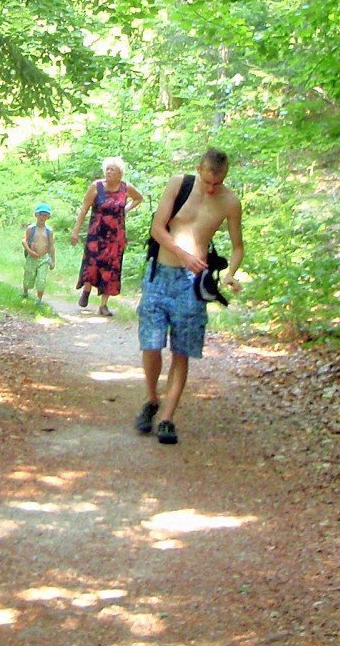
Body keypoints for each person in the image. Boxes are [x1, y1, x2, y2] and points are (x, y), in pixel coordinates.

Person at [136, 148, 243, 446]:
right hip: (160, 274)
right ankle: (151, 399)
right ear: (199, 169)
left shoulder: (231, 202)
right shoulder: (179, 184)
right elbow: (157, 228)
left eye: (217, 184)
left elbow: (237, 246)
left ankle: (168, 417)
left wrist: (231, 273)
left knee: (182, 350)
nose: (211, 189)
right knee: (152, 343)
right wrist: (182, 255)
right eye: (207, 181)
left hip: (192, 284)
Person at [70, 157, 144, 317]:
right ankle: (87, 289)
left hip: (116, 236)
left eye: (113, 170)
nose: (109, 172)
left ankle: (103, 305)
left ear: (120, 174)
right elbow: (84, 209)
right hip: (96, 234)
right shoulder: (96, 187)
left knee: (111, 268)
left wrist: (126, 209)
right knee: (92, 263)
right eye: (108, 169)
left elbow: (139, 198)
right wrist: (75, 230)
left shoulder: (126, 188)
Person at [21, 204, 56, 300]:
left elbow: (51, 246)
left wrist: (53, 261)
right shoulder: (31, 228)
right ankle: (25, 292)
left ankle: (39, 300)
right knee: (28, 277)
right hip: (32, 257)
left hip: (44, 258)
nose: (42, 217)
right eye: (40, 214)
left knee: (41, 280)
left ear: (48, 217)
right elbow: (24, 241)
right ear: (36, 215)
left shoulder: (49, 231)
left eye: (45, 215)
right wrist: (30, 251)